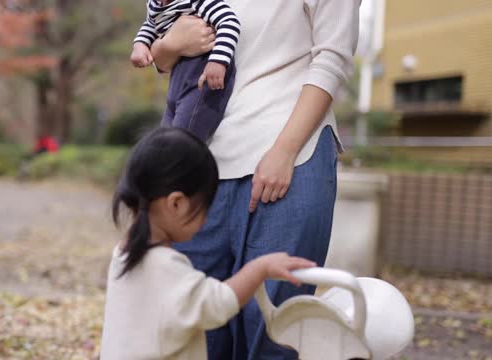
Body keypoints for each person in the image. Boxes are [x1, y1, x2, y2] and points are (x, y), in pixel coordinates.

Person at [148, 2, 361, 359]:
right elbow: (165, 46)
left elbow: (332, 57)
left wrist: (285, 150)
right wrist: (168, 46)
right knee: (192, 328)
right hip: (199, 162)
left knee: (273, 331)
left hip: (288, 157)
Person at [100, 127, 316, 360]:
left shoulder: (123, 254)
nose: (205, 220)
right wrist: (259, 268)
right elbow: (217, 304)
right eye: (205, 209)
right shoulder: (166, 266)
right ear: (177, 204)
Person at [130, 0, 240, 141]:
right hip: (177, 80)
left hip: (203, 79)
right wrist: (140, 44)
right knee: (162, 142)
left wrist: (218, 61)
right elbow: (151, 25)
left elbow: (229, 21)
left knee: (180, 143)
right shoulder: (155, 4)